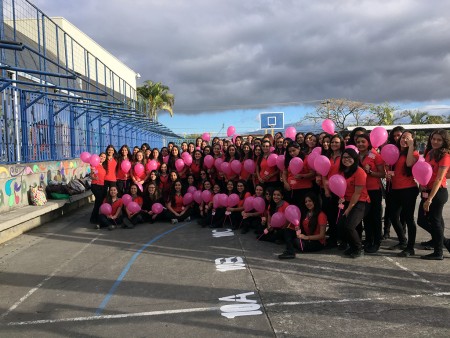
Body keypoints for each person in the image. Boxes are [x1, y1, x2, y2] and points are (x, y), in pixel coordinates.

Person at [417, 129, 450, 260]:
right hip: (427, 190)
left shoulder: (445, 156)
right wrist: (422, 183)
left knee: (435, 221)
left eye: (439, 140)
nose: (435, 141)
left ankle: (438, 252)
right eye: (433, 139)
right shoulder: (430, 153)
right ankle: (445, 242)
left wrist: (429, 199)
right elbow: (425, 171)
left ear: (444, 141)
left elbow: (438, 179)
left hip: (438, 193)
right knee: (422, 220)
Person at [387, 130, 419, 257]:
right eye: (402, 137)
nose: (404, 140)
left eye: (407, 138)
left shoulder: (414, 153)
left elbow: (409, 163)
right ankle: (402, 241)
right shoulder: (395, 153)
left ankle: (410, 248)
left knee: (409, 219)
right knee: (393, 216)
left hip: (408, 190)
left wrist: (410, 146)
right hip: (395, 189)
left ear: (412, 140)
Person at [338, 148, 370, 258]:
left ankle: (358, 248)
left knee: (349, 226)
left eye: (349, 157)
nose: (346, 159)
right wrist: (341, 199)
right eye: (344, 157)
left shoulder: (360, 172)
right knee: (342, 225)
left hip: (361, 202)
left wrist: (348, 209)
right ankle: (352, 246)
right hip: (347, 201)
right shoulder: (343, 172)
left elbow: (357, 193)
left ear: (355, 158)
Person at [356, 133, 384, 253]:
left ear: (368, 143)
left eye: (363, 141)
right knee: (366, 217)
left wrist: (371, 172)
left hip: (374, 191)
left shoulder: (375, 156)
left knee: (375, 218)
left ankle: (377, 242)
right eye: (358, 142)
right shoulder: (357, 156)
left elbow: (383, 174)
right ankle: (368, 240)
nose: (360, 144)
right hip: (362, 191)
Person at [279, 192, 327, 259]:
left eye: (310, 201)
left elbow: (322, 235)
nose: (307, 203)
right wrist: (298, 228)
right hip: (305, 238)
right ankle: (290, 251)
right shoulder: (306, 213)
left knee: (296, 241)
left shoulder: (321, 215)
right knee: (287, 231)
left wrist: (306, 237)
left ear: (315, 201)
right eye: (306, 202)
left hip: (316, 242)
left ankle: (290, 249)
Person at [282, 141, 314, 211]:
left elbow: (312, 173)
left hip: (304, 189)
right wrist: (285, 183)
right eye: (290, 152)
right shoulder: (288, 159)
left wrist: (302, 176)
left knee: (303, 209)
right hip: (291, 189)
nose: (292, 153)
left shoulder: (306, 158)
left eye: (294, 150)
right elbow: (284, 173)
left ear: (299, 148)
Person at [90, 152, 107, 224]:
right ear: (98, 157)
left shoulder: (103, 166)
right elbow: (91, 175)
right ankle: (93, 218)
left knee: (99, 201)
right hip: (95, 185)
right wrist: (94, 176)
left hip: (102, 186)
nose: (102, 158)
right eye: (101, 156)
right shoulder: (94, 164)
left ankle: (96, 217)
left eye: (104, 157)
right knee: (99, 201)